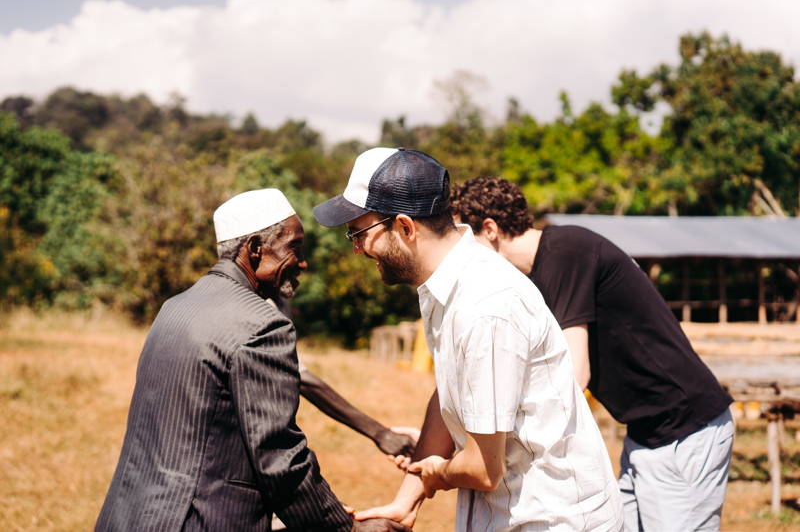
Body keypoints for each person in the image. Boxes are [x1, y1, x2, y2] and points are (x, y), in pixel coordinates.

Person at [313, 148, 623, 531]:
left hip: (554, 519)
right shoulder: (441, 283)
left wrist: (436, 473)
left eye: (359, 233)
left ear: (406, 228)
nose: (357, 248)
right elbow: (448, 392)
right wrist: (406, 501)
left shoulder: (485, 306)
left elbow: (481, 468)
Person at [95, 188, 410, 532]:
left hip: (130, 515)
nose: (303, 263)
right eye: (294, 248)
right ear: (256, 249)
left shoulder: (176, 307)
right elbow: (278, 457)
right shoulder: (262, 324)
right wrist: (343, 528)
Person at [450, 176, 735, 532]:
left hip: (684, 431)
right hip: (646, 434)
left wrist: (493, 435)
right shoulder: (537, 276)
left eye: (466, 239)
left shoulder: (566, 251)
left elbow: (573, 375)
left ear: (489, 229)